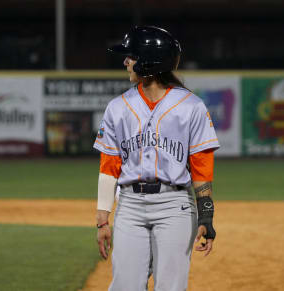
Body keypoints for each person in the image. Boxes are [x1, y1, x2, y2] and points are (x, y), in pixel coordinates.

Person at [93, 25, 220, 291]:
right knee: (125, 286)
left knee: (170, 287)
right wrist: (103, 218)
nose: (126, 61)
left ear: (149, 62)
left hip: (175, 206)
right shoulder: (117, 107)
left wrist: (206, 215)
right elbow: (109, 166)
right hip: (129, 204)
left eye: (132, 56)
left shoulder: (191, 106)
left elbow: (201, 166)